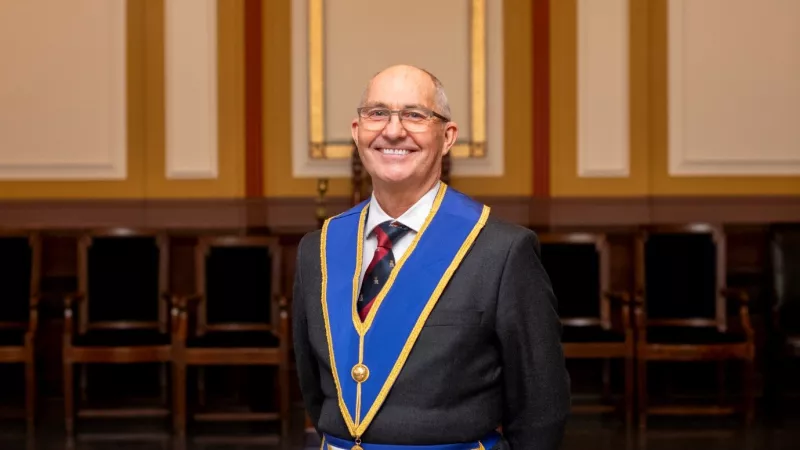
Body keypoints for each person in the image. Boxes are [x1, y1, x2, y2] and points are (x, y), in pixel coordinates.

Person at [292, 64, 570, 450]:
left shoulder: (502, 251)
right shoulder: (317, 250)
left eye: (415, 115)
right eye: (377, 113)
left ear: (447, 136)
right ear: (357, 133)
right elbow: (314, 389)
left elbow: (541, 410)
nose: (393, 130)